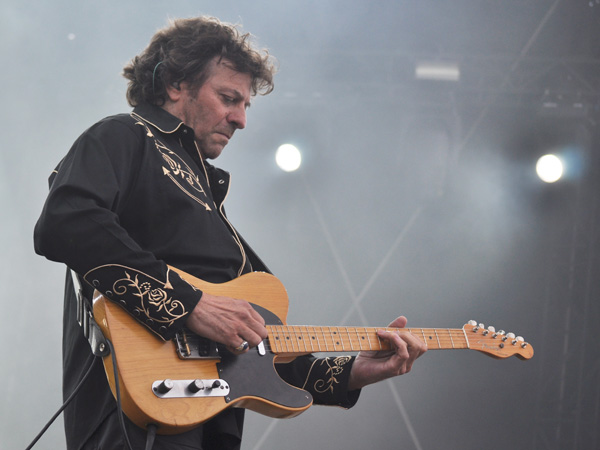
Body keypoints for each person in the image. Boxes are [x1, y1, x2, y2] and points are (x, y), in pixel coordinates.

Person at [34, 16, 427, 450]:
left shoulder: (207, 199)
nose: (240, 119)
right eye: (228, 98)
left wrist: (357, 371)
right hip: (132, 412)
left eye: (245, 105)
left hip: (205, 420)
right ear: (174, 85)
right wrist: (189, 305)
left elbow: (261, 346)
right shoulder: (124, 136)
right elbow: (66, 222)